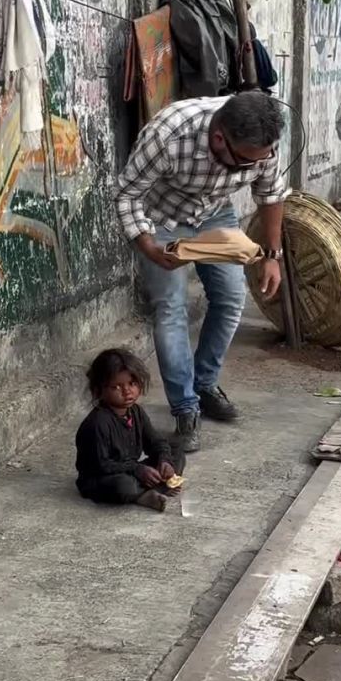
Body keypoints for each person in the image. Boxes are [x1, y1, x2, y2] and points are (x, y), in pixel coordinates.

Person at [115, 91, 287, 453]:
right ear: (219, 139)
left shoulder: (262, 146)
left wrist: (273, 256)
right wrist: (149, 247)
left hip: (214, 214)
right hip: (161, 219)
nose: (254, 167)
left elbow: (271, 194)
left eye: (262, 158)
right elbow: (127, 194)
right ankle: (185, 409)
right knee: (171, 307)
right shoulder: (168, 134)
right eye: (245, 162)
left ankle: (204, 384)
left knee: (231, 297)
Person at [76, 347, 185, 514]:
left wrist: (164, 461)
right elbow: (102, 465)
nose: (127, 391)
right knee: (123, 485)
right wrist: (137, 470)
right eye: (116, 387)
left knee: (176, 450)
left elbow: (155, 442)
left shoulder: (136, 412)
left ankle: (157, 482)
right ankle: (142, 495)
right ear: (99, 390)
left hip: (131, 470)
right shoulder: (97, 423)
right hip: (102, 478)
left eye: (132, 384)